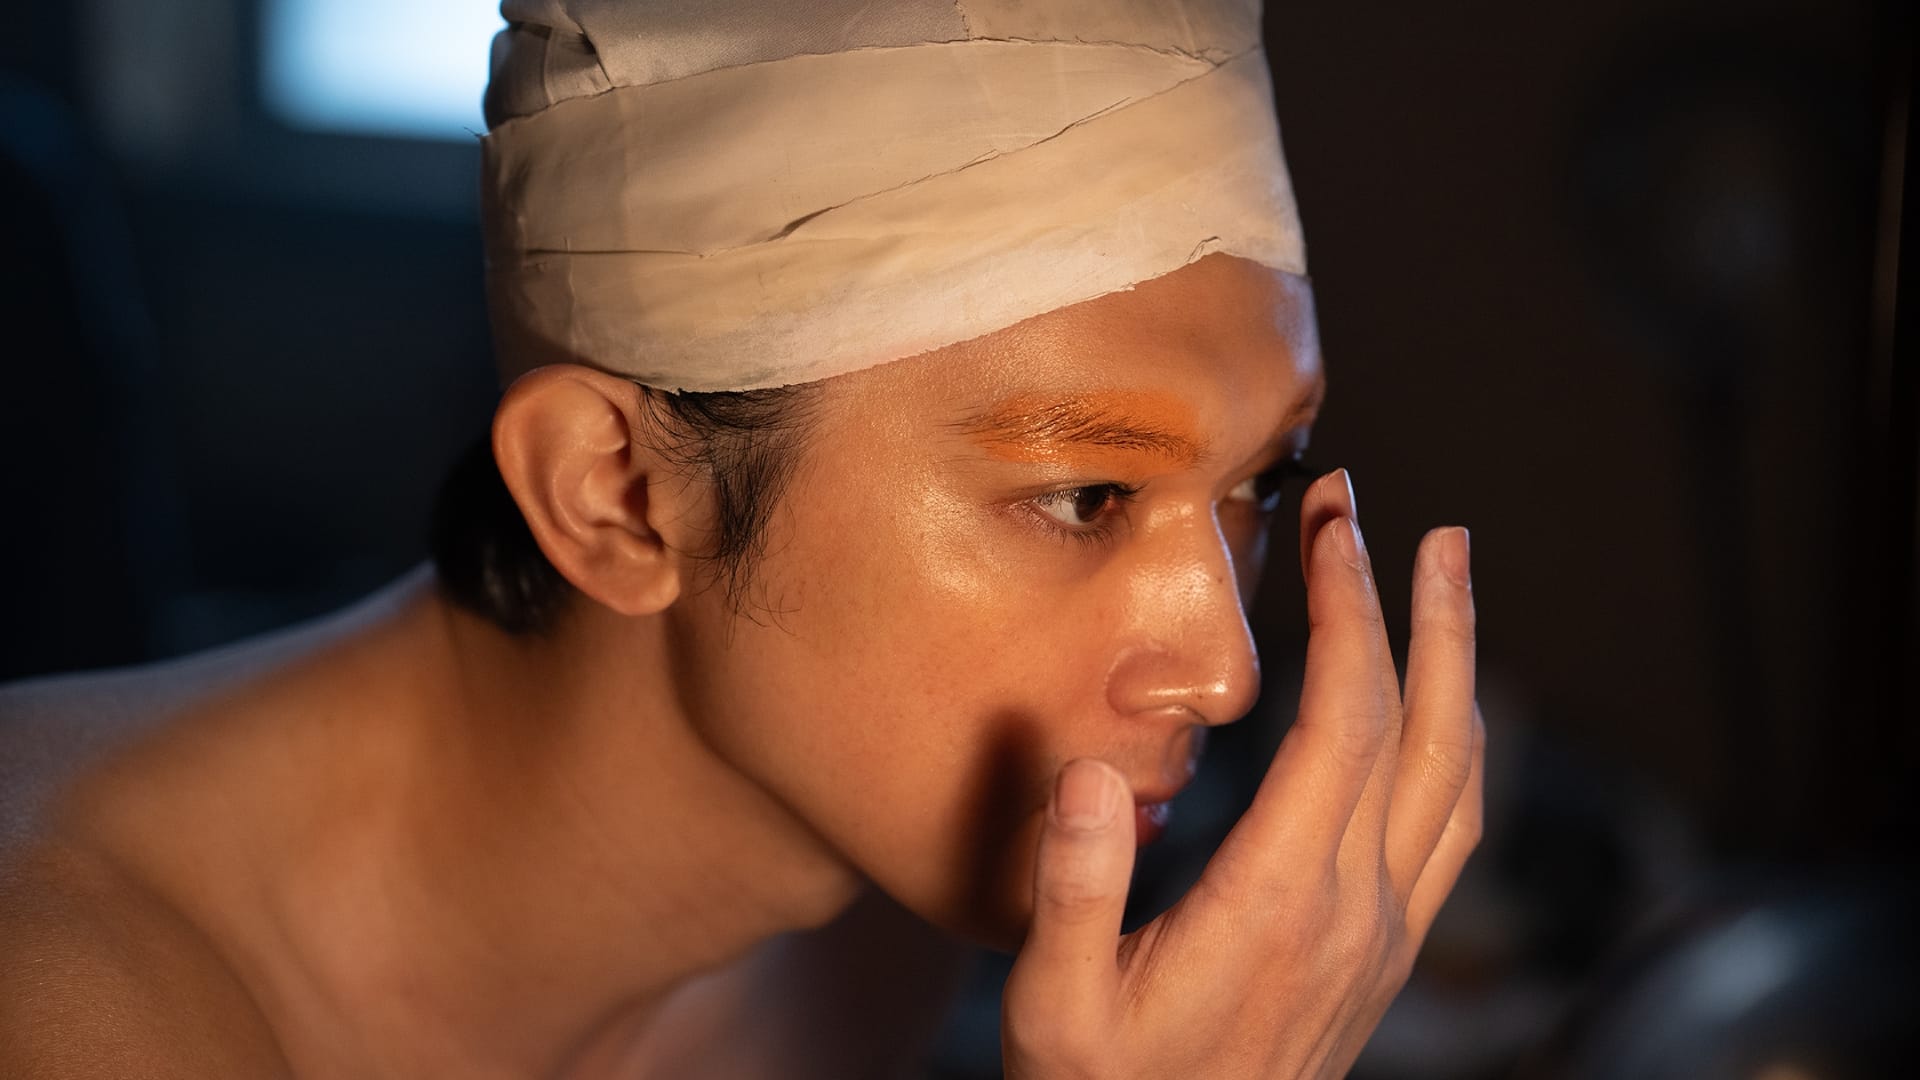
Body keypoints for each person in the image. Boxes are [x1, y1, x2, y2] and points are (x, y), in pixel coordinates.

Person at [0, 1, 1483, 1076]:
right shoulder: (65, 998)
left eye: (1262, 479)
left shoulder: (862, 929)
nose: (1226, 672)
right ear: (613, 491)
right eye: (1084, 496)